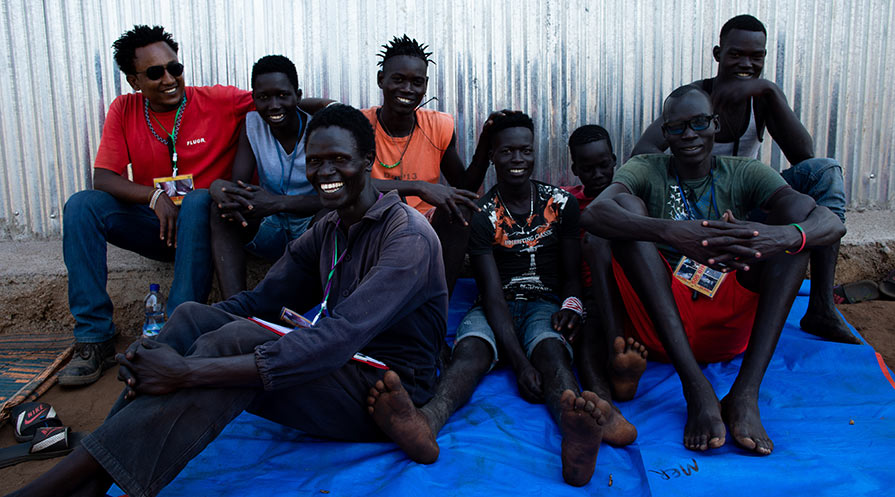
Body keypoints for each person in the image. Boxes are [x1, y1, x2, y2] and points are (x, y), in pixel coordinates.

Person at [7, 104, 448, 497]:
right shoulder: (329, 227)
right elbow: (259, 301)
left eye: (339, 160)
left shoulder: (406, 236)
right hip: (338, 364)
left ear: (367, 162)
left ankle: (72, 480)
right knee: (192, 318)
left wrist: (187, 372)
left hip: (386, 391)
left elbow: (334, 339)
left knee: (233, 341)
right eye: (315, 162)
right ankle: (100, 467)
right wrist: (165, 348)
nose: (325, 172)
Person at [367, 112, 633, 487]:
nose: (518, 160)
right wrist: (521, 364)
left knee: (554, 359)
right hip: (496, 306)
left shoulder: (561, 205)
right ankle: (427, 420)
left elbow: (573, 276)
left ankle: (580, 427)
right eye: (507, 152)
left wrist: (571, 306)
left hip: (544, 304)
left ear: (535, 152)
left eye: (525, 150)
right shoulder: (483, 215)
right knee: (468, 356)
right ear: (493, 155)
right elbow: (492, 295)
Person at [583, 86, 846, 455]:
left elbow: (830, 222)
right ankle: (697, 389)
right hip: (662, 324)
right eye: (677, 127)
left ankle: (745, 393)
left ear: (715, 126)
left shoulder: (745, 172)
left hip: (727, 324)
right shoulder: (645, 168)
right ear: (665, 133)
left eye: (699, 123)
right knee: (625, 214)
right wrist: (672, 231)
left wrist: (779, 236)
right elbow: (594, 214)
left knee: (795, 230)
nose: (689, 134)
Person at [631, 14, 854, 344]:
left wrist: (770, 91)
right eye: (736, 54)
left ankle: (821, 306)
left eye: (757, 56)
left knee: (825, 172)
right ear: (717, 54)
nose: (746, 63)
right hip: (696, 213)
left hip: (744, 212)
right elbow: (642, 153)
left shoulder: (760, 101)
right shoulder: (696, 99)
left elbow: (804, 156)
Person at [59, 25, 254, 386]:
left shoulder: (219, 100)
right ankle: (94, 338)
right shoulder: (125, 108)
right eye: (154, 73)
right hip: (159, 228)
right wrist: (153, 196)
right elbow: (103, 177)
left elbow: (282, 100)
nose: (169, 79)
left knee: (199, 199)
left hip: (207, 228)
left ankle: (174, 336)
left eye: (174, 68)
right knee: (82, 206)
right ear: (134, 81)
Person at [361, 35, 493, 293]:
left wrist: (484, 146)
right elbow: (354, 184)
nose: (407, 89)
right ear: (381, 80)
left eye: (416, 82)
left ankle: (437, 300)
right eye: (398, 79)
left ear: (426, 86)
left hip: (424, 222)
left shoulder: (439, 125)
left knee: (461, 210)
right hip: (374, 218)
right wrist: (419, 187)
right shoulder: (360, 126)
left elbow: (463, 187)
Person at [209, 55, 323, 298]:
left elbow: (334, 198)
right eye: (264, 97)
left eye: (282, 95)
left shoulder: (319, 130)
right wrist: (219, 188)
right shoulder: (252, 125)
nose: (273, 105)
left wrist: (278, 202)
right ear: (254, 99)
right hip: (269, 224)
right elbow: (239, 185)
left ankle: (313, 305)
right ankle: (234, 308)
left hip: (311, 225)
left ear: (298, 96)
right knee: (222, 210)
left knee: (333, 215)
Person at [561, 126, 645, 439]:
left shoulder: (630, 198)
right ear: (575, 169)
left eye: (603, 165)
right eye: (587, 168)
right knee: (585, 336)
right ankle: (605, 401)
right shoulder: (566, 201)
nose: (597, 174)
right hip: (590, 293)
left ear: (614, 160)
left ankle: (619, 360)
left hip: (629, 289)